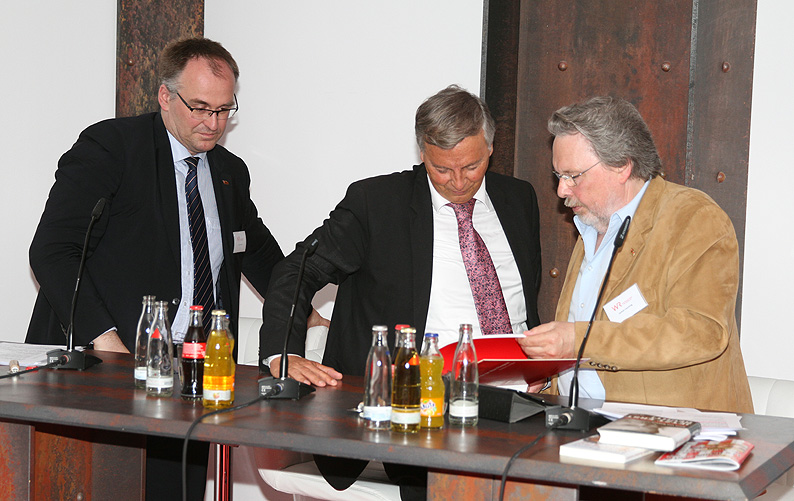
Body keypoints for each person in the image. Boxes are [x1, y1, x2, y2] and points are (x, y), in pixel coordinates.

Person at [25, 37, 285, 500]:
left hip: (190, 372)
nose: (213, 124)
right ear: (166, 96)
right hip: (102, 366)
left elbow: (259, 254)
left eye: (224, 110)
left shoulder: (229, 171)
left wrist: (304, 312)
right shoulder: (112, 147)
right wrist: (107, 342)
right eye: (200, 108)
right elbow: (52, 250)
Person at [260, 85, 542, 499]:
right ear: (422, 153)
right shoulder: (377, 203)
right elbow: (297, 271)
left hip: (517, 399)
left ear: (490, 148)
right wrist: (282, 353)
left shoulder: (518, 198)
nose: (458, 181)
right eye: (442, 169)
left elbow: (523, 298)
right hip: (424, 403)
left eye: (472, 165)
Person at [518, 96, 753, 413]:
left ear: (621, 166)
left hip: (673, 431)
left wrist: (577, 340)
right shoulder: (591, 227)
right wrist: (548, 375)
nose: (562, 190)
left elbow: (701, 332)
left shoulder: (694, 217)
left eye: (573, 175)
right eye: (559, 176)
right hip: (583, 426)